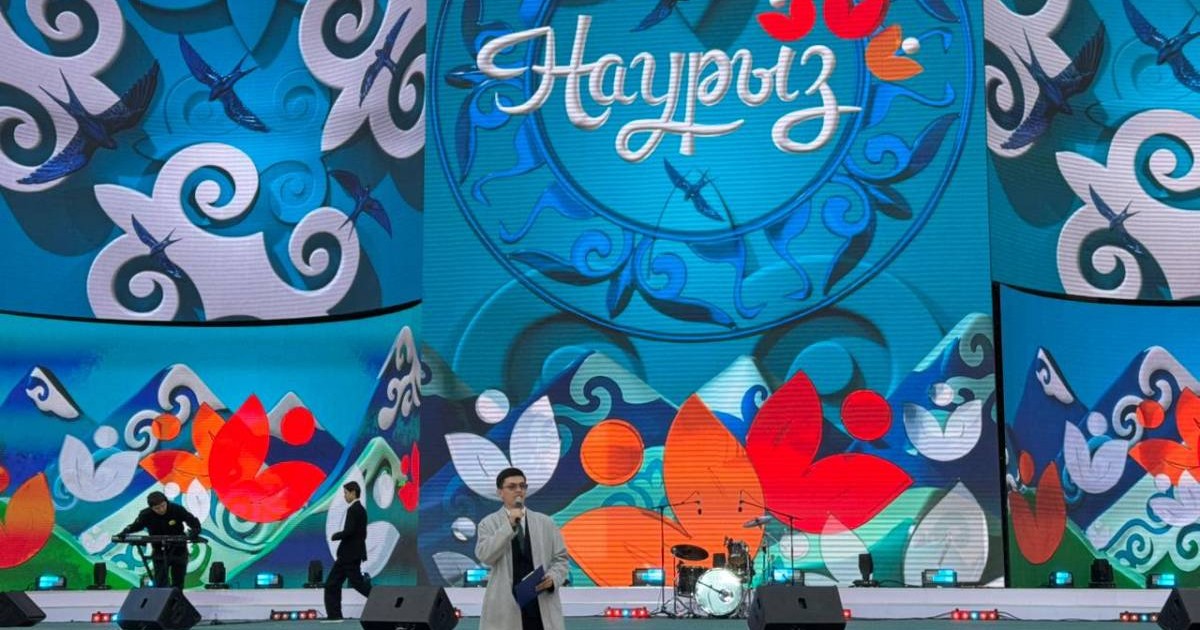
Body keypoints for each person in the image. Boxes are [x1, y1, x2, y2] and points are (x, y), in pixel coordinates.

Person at [476, 467, 569, 630]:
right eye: (512, 487)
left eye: (522, 486)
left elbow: (560, 559)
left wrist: (553, 578)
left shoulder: (545, 522)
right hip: (505, 606)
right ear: (500, 492)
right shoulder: (488, 523)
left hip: (539, 603)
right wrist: (509, 525)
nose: (518, 490)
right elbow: (485, 556)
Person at [117, 491, 202, 589]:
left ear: (166, 502)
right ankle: (162, 597)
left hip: (179, 548)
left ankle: (177, 597)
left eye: (163, 505)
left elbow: (192, 521)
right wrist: (125, 532)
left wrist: (195, 530)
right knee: (161, 581)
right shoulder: (146, 514)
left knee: (178, 580)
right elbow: (136, 525)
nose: (161, 509)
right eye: (157, 508)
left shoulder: (177, 509)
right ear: (151, 508)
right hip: (159, 550)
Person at [324, 481, 372, 621]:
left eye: (346, 493)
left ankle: (334, 615)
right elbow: (360, 534)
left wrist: (335, 535)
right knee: (339, 583)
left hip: (348, 555)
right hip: (352, 554)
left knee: (335, 584)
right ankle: (334, 615)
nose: (344, 496)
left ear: (353, 493)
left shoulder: (354, 509)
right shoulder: (360, 509)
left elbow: (349, 531)